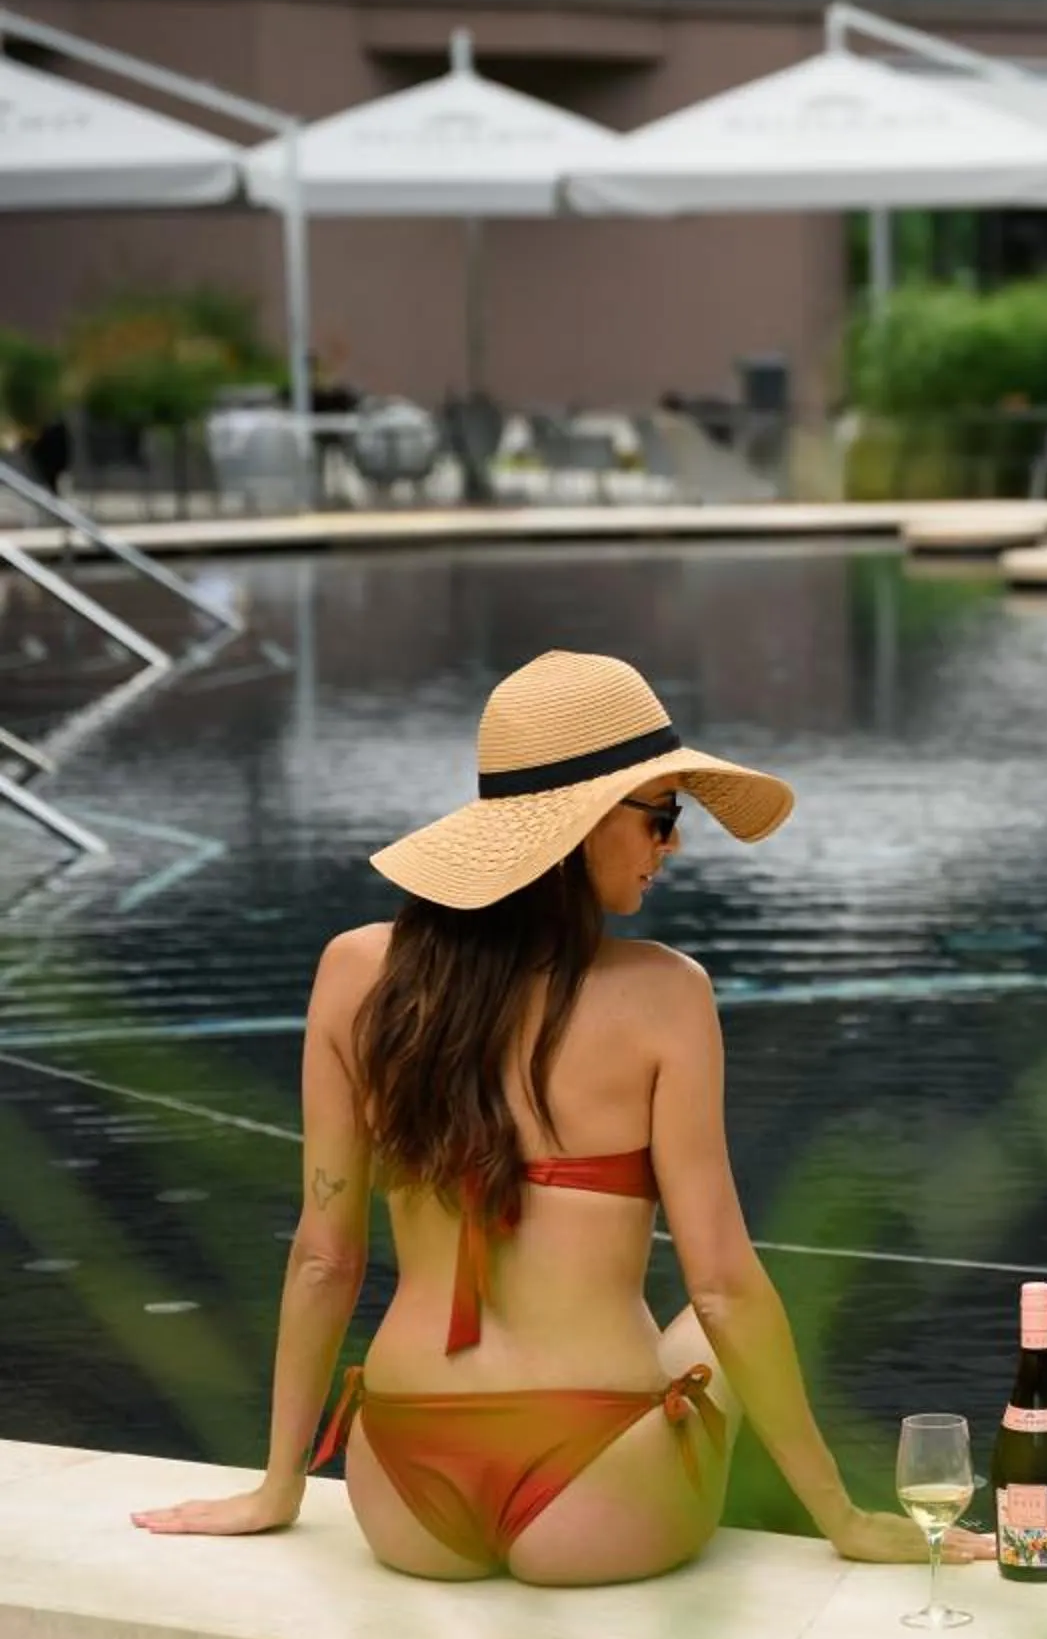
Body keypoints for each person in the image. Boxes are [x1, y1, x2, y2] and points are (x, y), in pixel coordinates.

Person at [133, 650, 994, 1586]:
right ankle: (810, 1521)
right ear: (583, 825)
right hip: (596, 1483)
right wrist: (848, 1517)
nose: (674, 846)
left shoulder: (355, 972)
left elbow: (323, 1256)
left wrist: (278, 1487)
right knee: (713, 1333)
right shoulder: (668, 995)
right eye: (661, 818)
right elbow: (721, 1287)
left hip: (404, 1483)